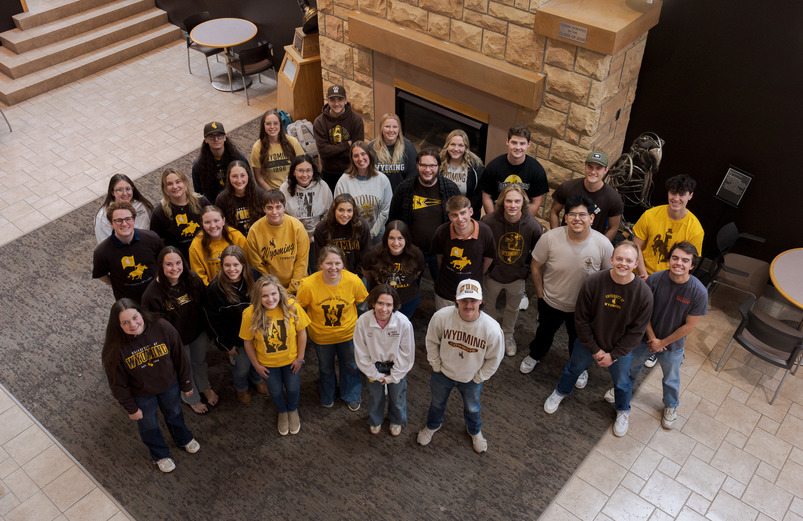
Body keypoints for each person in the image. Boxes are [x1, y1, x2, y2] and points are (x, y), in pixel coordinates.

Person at [543, 241, 653, 437]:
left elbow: (637, 332)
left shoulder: (644, 294)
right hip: (588, 344)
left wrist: (614, 355)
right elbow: (581, 319)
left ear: (636, 264)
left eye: (629, 261)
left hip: (619, 351)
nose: (623, 264)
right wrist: (594, 349)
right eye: (619, 259)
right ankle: (560, 392)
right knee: (573, 369)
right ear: (611, 259)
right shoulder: (594, 282)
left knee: (622, 383)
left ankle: (623, 410)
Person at [603, 241, 707, 430]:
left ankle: (671, 406)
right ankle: (622, 393)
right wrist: (653, 339)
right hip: (645, 339)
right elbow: (644, 313)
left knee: (671, 379)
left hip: (673, 345)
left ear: (692, 266)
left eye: (685, 260)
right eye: (675, 258)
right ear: (669, 260)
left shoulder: (698, 292)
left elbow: (689, 326)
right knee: (630, 370)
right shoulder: (655, 280)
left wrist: (662, 343)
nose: (679, 263)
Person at [520, 194, 613, 387]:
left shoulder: (603, 244)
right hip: (551, 301)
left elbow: (609, 277)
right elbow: (536, 266)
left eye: (582, 214)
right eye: (572, 214)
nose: (577, 219)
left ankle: (579, 368)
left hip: (582, 309)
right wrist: (540, 295)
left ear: (592, 218)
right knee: (543, 334)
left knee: (579, 342)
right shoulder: (550, 238)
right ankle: (535, 355)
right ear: (566, 217)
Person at [102, 299, 199, 473]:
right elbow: (117, 383)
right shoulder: (115, 348)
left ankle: (183, 438)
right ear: (118, 325)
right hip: (141, 394)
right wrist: (131, 408)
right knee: (148, 424)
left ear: (141, 313)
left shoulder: (162, 327)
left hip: (169, 384)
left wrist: (186, 383)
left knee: (174, 413)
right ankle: (160, 454)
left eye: (135, 317)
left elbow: (180, 356)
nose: (133, 325)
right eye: (125, 322)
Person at [417, 279, 504, 454]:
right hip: (442, 373)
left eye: (473, 300)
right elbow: (431, 341)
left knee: (472, 408)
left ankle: (474, 431)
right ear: (456, 299)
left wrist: (479, 377)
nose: (469, 305)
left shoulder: (492, 329)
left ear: (481, 300)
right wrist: (436, 365)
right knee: (436, 403)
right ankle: (433, 425)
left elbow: (495, 359)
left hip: (471, 379)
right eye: (464, 300)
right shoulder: (441, 317)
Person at [632, 174, 703, 368]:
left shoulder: (695, 229)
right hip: (643, 274)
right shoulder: (651, 215)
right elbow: (636, 246)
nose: (676, 198)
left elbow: (688, 263)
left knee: (663, 317)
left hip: (669, 281)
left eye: (682, 194)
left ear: (690, 196)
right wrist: (644, 273)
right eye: (673, 193)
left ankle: (655, 347)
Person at [142, 247, 217, 415]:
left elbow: (205, 305)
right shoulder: (151, 294)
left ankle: (204, 386)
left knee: (200, 361)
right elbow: (152, 327)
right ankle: (191, 398)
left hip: (197, 333)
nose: (175, 268)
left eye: (178, 263)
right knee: (184, 369)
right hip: (175, 341)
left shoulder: (193, 279)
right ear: (161, 266)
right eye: (169, 264)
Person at [296, 246, 369, 411]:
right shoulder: (308, 285)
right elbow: (301, 308)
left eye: (337, 263)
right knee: (325, 367)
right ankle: (328, 393)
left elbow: (360, 302)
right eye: (329, 263)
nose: (333, 267)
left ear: (343, 264)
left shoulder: (353, 281)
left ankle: (351, 394)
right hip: (321, 337)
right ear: (320, 264)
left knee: (350, 365)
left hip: (348, 335)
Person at [241, 275, 311, 436]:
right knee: (275, 390)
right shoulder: (250, 314)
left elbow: (302, 333)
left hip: (291, 360)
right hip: (267, 364)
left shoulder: (292, 307)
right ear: (258, 297)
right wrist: (256, 365)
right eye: (264, 295)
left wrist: (300, 358)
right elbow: (247, 342)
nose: (270, 299)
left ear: (280, 292)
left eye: (273, 294)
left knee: (293, 387)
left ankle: (292, 410)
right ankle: (282, 411)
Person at [481, 184, 543, 356]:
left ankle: (508, 336)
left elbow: (537, 255)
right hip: (492, 275)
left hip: (517, 278)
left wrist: (525, 273)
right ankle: (490, 335)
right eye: (509, 201)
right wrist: (486, 270)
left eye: (517, 201)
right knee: (488, 306)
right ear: (502, 201)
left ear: (523, 202)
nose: (513, 205)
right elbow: (482, 248)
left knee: (512, 309)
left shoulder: (533, 226)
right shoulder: (488, 221)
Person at [204, 245, 268, 406]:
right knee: (242, 366)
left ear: (243, 264)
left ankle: (257, 379)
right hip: (236, 338)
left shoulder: (255, 275)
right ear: (221, 266)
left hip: (257, 332)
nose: (232, 269)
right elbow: (213, 321)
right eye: (227, 265)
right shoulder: (215, 288)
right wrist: (225, 345)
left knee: (259, 359)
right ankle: (241, 388)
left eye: (236, 265)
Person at [388, 148, 460, 282]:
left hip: (441, 251)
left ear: (438, 166)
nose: (428, 170)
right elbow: (393, 220)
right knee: (410, 286)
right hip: (412, 251)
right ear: (417, 165)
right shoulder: (404, 188)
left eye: (432, 165)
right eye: (424, 165)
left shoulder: (451, 189)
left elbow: (459, 219)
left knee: (443, 285)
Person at [354, 285, 415, 436]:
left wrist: (394, 376)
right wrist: (374, 374)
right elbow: (361, 352)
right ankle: (375, 420)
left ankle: (396, 420)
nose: (384, 309)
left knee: (397, 396)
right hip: (373, 366)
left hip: (396, 366)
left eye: (389, 304)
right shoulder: (363, 321)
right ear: (373, 303)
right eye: (380, 303)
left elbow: (407, 353)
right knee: (374, 396)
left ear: (394, 306)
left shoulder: (403, 323)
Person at [431, 196, 495, 310]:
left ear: (471, 212)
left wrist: (476, 273)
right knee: (444, 320)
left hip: (471, 292)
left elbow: (488, 258)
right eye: (454, 215)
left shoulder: (485, 232)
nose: (460, 219)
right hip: (446, 291)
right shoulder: (442, 232)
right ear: (449, 216)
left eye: (463, 213)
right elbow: (439, 257)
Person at [93, 201, 161, 302]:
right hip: (129, 303)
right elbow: (101, 275)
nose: (124, 224)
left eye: (128, 219)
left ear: (134, 220)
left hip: (157, 297)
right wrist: (118, 283)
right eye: (118, 220)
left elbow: (162, 260)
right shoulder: (102, 252)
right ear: (111, 223)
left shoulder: (151, 238)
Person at [246, 190, 310, 294]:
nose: (274, 212)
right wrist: (275, 289)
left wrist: (291, 289)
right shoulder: (254, 231)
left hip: (297, 286)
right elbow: (258, 266)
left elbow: (302, 262)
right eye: (269, 208)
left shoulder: (297, 227)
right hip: (270, 289)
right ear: (263, 209)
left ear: (284, 207)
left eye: (278, 207)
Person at [550, 151, 623, 242]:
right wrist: (556, 237)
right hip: (566, 240)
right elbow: (554, 211)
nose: (593, 172)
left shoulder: (613, 198)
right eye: (590, 166)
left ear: (606, 170)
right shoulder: (568, 187)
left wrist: (600, 247)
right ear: (585, 166)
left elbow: (613, 228)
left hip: (592, 244)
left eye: (598, 168)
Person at [481, 124, 548, 218]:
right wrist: (493, 220)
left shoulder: (537, 170)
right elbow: (487, 197)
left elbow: (536, 202)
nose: (518, 147)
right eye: (514, 142)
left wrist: (523, 222)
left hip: (522, 218)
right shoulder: (493, 167)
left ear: (528, 144)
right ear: (507, 141)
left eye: (522, 143)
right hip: (497, 216)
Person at [362, 221, 425, 319]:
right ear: (386, 238)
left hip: (407, 302)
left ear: (406, 238)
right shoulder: (373, 254)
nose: (396, 243)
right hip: (379, 302)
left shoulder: (416, 254)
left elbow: (417, 273)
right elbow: (366, 272)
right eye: (391, 238)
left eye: (400, 238)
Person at [334, 141, 392, 243]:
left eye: (363, 154)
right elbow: (339, 211)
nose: (360, 159)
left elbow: (385, 211)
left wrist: (372, 233)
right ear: (352, 159)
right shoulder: (343, 181)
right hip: (353, 237)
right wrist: (356, 234)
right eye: (356, 156)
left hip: (377, 237)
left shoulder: (382, 180)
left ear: (369, 155)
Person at [150, 167, 211, 261]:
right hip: (179, 261)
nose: (175, 186)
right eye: (169, 184)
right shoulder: (159, 212)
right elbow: (158, 243)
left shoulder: (202, 202)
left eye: (178, 182)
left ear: (185, 182)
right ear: (164, 188)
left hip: (205, 253)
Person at [313, 84, 365, 192]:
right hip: (329, 173)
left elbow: (357, 151)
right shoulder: (319, 122)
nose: (336, 103)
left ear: (346, 100)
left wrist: (332, 149)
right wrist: (347, 145)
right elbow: (324, 152)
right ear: (327, 101)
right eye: (332, 100)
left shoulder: (356, 120)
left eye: (340, 99)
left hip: (351, 172)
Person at [280, 154, 333, 247]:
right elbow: (282, 216)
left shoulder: (322, 186)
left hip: (319, 235)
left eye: (308, 170)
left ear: (313, 171)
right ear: (293, 172)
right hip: (293, 237)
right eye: (300, 170)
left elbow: (329, 215)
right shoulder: (284, 188)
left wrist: (313, 238)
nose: (305, 175)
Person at [188, 205, 247, 285]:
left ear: (223, 221)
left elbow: (247, 265)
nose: (212, 226)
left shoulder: (237, 237)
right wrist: (212, 290)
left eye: (216, 221)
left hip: (240, 284)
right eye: (207, 222)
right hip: (212, 289)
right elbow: (199, 277)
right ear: (202, 224)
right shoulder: (195, 245)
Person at [313, 194, 371, 275]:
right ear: (334, 210)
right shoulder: (322, 228)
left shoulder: (361, 226)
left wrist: (356, 275)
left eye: (349, 210)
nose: (345, 215)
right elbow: (320, 258)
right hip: (331, 273)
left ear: (354, 211)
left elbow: (366, 255)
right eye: (341, 210)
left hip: (357, 274)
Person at [191, 121, 248, 203]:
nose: (216, 139)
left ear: (225, 137)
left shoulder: (239, 158)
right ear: (206, 140)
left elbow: (249, 182)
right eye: (211, 136)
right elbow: (199, 194)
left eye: (219, 135)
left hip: (238, 200)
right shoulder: (198, 165)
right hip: (213, 205)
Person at [251, 109, 305, 190]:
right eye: (268, 124)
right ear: (263, 126)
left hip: (293, 187)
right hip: (272, 191)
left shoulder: (293, 142)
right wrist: (273, 194)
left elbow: (303, 167)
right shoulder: (257, 147)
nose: (272, 127)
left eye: (276, 123)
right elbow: (259, 179)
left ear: (280, 124)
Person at [94, 174, 153, 244]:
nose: (125, 193)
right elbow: (104, 241)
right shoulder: (102, 216)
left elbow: (149, 230)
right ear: (112, 192)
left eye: (128, 189)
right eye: (120, 190)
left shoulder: (141, 206)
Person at [439, 129, 484, 218]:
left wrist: (468, 215)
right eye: (452, 144)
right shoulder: (438, 163)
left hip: (465, 214)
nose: (456, 149)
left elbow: (478, 195)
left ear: (466, 148)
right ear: (447, 145)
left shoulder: (475, 167)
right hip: (443, 212)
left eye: (460, 145)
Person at [214, 160, 266, 236]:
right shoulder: (222, 199)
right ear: (228, 177)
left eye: (242, 175)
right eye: (234, 176)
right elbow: (221, 226)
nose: (239, 180)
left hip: (258, 237)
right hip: (234, 239)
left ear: (248, 176)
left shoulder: (261, 194)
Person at [369, 112, 417, 190]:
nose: (391, 130)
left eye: (395, 127)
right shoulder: (371, 147)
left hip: (401, 193)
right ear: (381, 128)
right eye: (387, 126)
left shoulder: (408, 147)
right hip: (377, 192)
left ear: (399, 129)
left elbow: (413, 176)